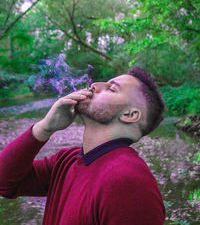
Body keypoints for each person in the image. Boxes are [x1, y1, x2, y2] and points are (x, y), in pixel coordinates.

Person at [0, 66, 166, 224]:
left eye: (111, 88)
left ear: (129, 114)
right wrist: (44, 128)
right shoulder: (66, 160)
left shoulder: (129, 183)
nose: (94, 85)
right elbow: (4, 182)